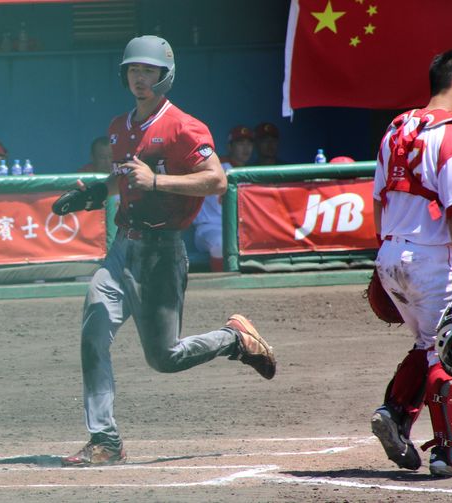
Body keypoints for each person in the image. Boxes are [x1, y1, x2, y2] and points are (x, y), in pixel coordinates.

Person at [59, 35, 277, 467]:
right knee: (93, 331)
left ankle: (233, 339)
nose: (139, 78)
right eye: (133, 70)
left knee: (164, 358)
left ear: (165, 75)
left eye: (148, 71)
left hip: (161, 253)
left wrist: (157, 182)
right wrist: (93, 196)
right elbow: (122, 179)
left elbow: (216, 180)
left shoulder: (183, 126)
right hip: (122, 248)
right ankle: (105, 439)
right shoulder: (120, 127)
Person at [370, 49, 452, 477]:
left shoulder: (396, 127)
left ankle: (395, 413)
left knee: (430, 343)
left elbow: (376, 200)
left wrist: (386, 256)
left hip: (392, 252)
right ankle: (451, 452)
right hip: (432, 257)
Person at [192, 125, 254, 271]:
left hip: (239, 228)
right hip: (208, 227)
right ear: (230, 146)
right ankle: (222, 288)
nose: (246, 148)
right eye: (240, 143)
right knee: (220, 243)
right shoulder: (215, 168)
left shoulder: (251, 172)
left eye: (249, 143)